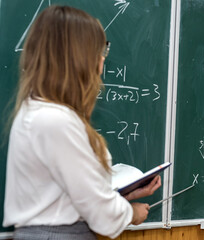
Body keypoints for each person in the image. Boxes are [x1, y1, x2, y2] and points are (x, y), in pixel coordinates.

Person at [2, 5, 161, 239]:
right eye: (100, 51)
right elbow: (97, 214)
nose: (102, 61)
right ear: (80, 58)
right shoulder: (56, 121)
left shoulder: (39, 113)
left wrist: (124, 197)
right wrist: (130, 213)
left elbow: (69, 198)